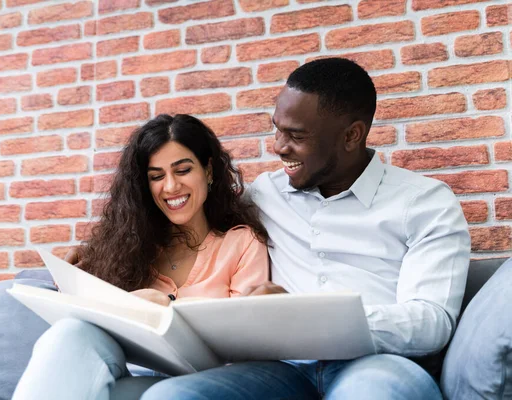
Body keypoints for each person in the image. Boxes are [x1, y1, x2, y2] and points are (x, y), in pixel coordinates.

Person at [140, 58, 471, 399]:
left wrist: (311, 318)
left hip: (375, 365)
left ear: (351, 135)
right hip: (280, 371)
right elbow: (187, 217)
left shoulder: (424, 203)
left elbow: (432, 322)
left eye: (296, 135)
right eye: (278, 129)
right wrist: (91, 259)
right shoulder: (263, 194)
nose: (279, 146)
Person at [12, 114, 269, 399]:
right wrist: (73, 285)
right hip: (134, 375)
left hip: (206, 383)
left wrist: (166, 309)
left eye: (182, 170)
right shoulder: (127, 248)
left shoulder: (242, 242)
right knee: (70, 333)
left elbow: (247, 341)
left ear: (208, 171)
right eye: (156, 177)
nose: (170, 187)